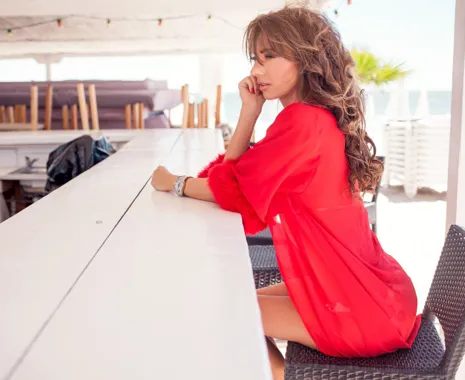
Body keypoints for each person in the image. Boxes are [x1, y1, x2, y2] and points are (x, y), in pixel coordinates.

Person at [151, 6, 421, 380]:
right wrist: (250, 111)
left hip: (361, 304)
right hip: (373, 289)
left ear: (306, 59)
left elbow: (230, 189)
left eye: (269, 57)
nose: (255, 71)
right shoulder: (314, 116)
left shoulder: (302, 122)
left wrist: (174, 183)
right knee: (231, 295)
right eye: (254, 59)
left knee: (223, 308)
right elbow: (234, 182)